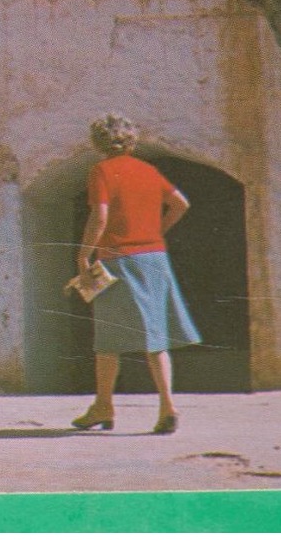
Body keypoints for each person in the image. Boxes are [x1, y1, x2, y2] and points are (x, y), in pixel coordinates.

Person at [71, 114, 201, 435]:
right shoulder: (148, 171)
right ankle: (167, 405)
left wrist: (83, 253)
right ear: (132, 140)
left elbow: (99, 216)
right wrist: (157, 231)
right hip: (155, 258)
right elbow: (181, 204)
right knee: (155, 336)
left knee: (108, 339)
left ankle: (103, 404)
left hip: (118, 260)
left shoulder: (101, 171)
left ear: (98, 142)